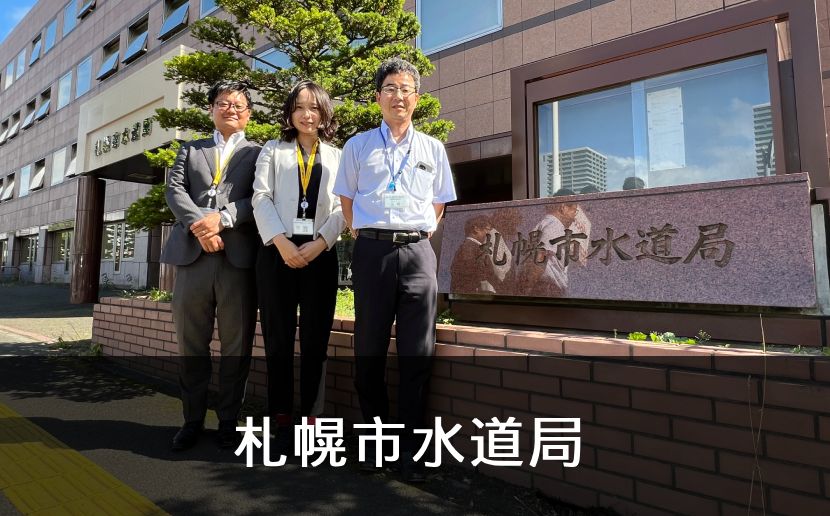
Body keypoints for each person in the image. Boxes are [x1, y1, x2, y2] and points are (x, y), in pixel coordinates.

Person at [333, 57, 457, 481]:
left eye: (406, 89)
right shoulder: (358, 146)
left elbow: (438, 203)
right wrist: (363, 233)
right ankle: (375, 445)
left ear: (416, 98)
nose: (398, 96)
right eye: (390, 88)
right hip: (372, 253)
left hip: (418, 253)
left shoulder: (433, 149)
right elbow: (346, 198)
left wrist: (418, 234)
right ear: (378, 97)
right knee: (369, 351)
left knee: (417, 355)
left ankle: (412, 452)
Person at [162, 80, 261, 451]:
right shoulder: (191, 149)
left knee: (237, 344)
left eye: (238, 104)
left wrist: (224, 218)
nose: (230, 109)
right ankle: (191, 420)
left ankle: (228, 422)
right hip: (193, 259)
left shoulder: (259, 153)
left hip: (238, 261)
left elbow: (261, 197)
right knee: (191, 343)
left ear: (248, 113)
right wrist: (200, 226)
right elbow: (174, 191)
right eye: (223, 103)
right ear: (211, 109)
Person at [251, 80, 344, 451]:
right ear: (290, 112)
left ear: (324, 114)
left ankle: (312, 418)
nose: (307, 115)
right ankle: (280, 416)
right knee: (278, 337)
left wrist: (320, 243)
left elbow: (343, 206)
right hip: (278, 252)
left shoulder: (337, 155)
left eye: (315, 108)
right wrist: (281, 242)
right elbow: (261, 197)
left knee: (315, 340)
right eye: (300, 107)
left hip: (320, 253)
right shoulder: (273, 150)